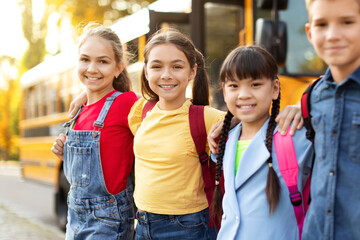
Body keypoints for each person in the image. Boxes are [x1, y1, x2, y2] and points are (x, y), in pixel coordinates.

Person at [211, 45, 313, 240]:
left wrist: (306, 108)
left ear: (275, 89)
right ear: (224, 91)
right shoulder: (224, 140)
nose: (243, 94)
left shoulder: (294, 135)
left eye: (255, 84)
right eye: (234, 86)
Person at [51, 23, 138, 240]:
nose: (92, 68)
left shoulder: (125, 102)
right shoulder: (78, 112)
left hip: (108, 219)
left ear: (118, 67)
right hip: (75, 217)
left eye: (103, 61)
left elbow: (161, 111)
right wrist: (65, 152)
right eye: (85, 59)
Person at [301, 0, 360, 239]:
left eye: (347, 22)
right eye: (322, 24)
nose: (333, 35)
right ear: (309, 32)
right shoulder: (311, 97)